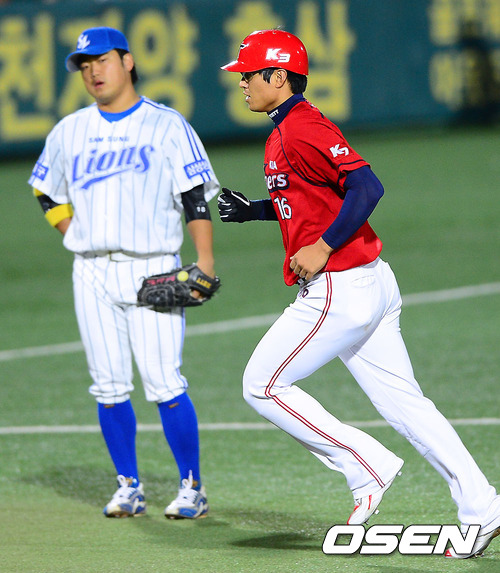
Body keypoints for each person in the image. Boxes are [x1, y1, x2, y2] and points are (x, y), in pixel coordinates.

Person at [218, 29, 500, 558]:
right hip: (368, 283)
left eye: (249, 74)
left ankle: (365, 465)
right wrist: (255, 210)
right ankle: (483, 506)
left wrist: (323, 246)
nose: (243, 84)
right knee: (408, 407)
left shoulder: (301, 128)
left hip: (340, 287)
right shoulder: (286, 129)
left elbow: (367, 187)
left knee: (262, 385)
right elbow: (311, 199)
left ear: (278, 76)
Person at [29, 26, 219, 519]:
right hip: (90, 272)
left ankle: (192, 487)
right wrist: (72, 230)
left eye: (102, 60)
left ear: (128, 61)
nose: (93, 71)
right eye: (84, 64)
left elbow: (194, 197)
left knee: (164, 382)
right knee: (108, 386)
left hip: (152, 267)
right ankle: (129, 486)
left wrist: (204, 259)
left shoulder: (167, 124)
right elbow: (45, 189)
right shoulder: (69, 130)